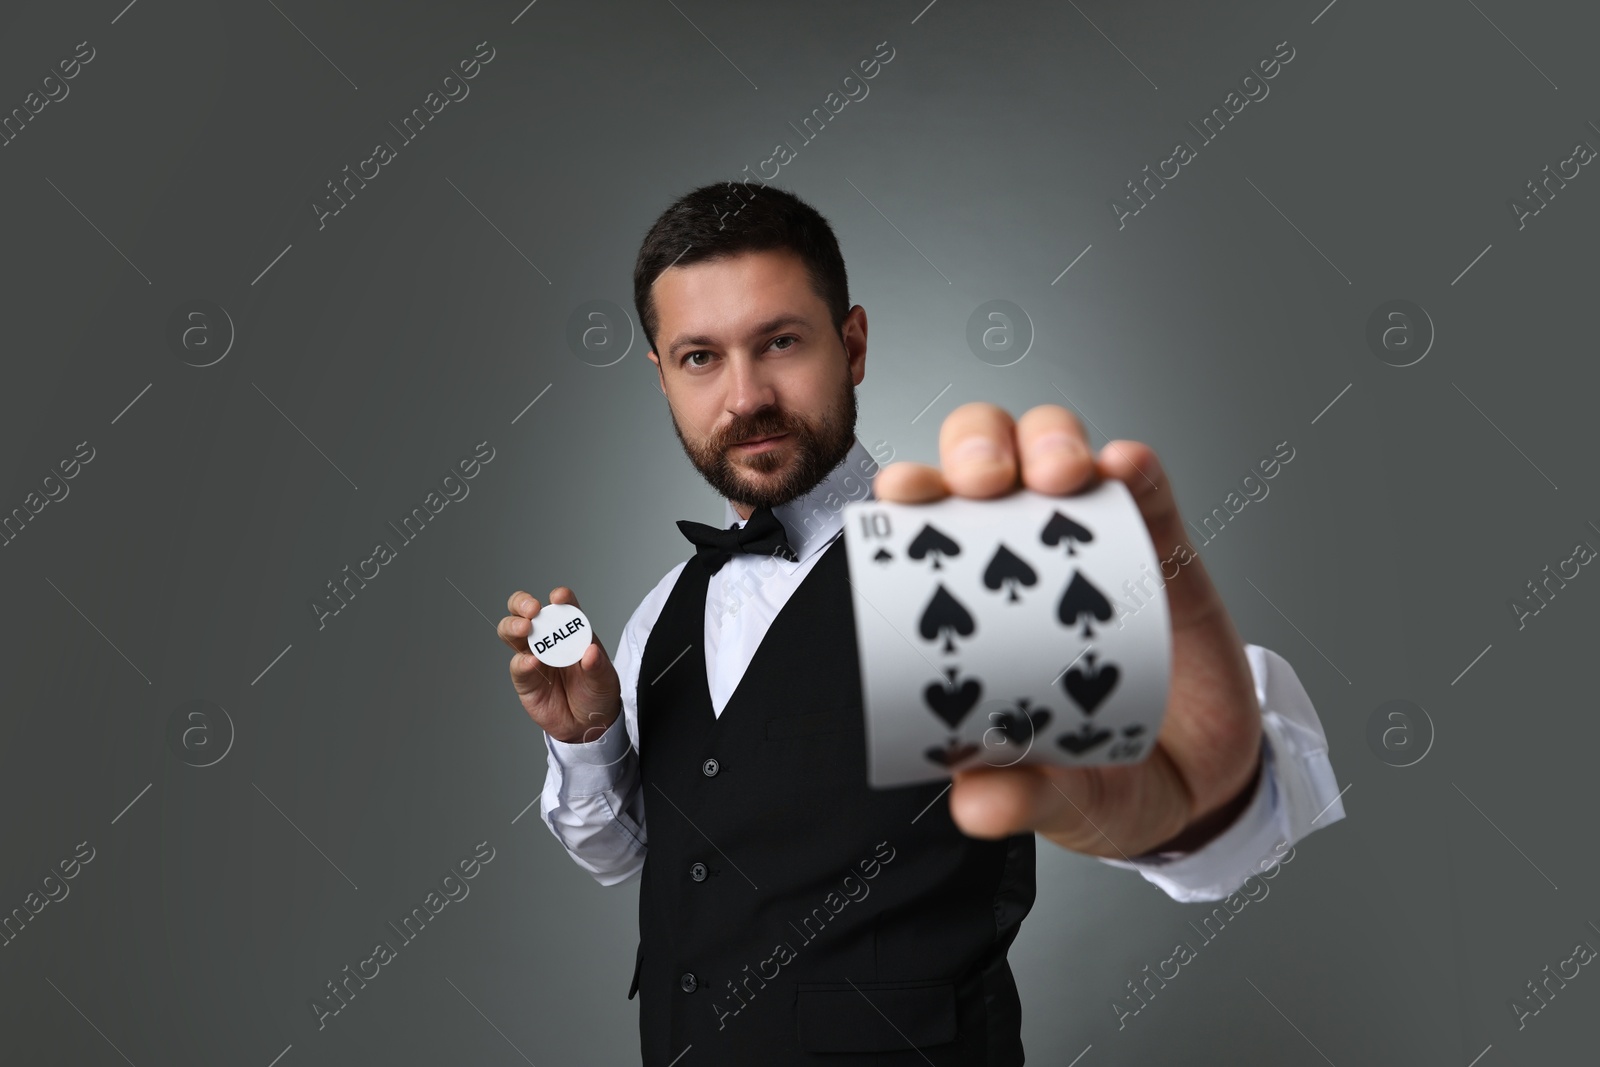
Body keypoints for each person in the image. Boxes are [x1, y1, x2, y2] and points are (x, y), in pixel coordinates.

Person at [499, 183, 1345, 1065]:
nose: (745, 396)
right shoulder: (660, 610)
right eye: (701, 357)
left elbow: (1204, 764)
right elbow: (628, 857)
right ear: (663, 376)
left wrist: (1214, 810)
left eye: (780, 341)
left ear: (852, 343)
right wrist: (590, 734)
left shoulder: (960, 565)